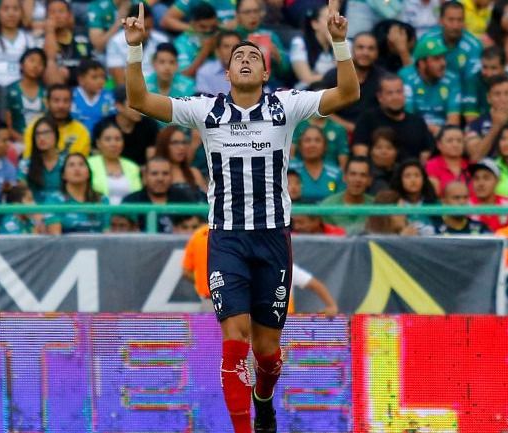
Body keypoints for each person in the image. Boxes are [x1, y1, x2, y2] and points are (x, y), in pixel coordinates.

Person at [122, 0, 359, 429]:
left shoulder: (285, 106)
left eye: (254, 57)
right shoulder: (206, 109)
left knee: (267, 353)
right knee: (235, 341)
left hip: (272, 238)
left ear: (266, 73)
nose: (246, 60)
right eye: (238, 57)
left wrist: (340, 43)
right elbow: (138, 98)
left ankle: (264, 398)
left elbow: (348, 93)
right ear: (227, 73)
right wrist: (136, 49)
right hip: (226, 238)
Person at [183, 224, 340, 314]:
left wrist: (331, 306)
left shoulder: (288, 268)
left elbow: (315, 284)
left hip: (280, 322)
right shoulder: (249, 265)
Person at [417, 1, 482, 112]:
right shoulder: (427, 41)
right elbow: (416, 73)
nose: (455, 25)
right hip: (430, 98)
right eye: (451, 20)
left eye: (459, 20)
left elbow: (471, 82)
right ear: (441, 21)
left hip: (464, 99)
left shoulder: (474, 46)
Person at [352, 74, 433, 161]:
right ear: (380, 97)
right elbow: (360, 155)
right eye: (390, 93)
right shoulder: (367, 120)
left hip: (410, 172)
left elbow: (427, 154)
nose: (395, 97)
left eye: (399, 92)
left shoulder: (417, 122)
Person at [320, 31, 382, 132]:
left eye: (371, 48)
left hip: (372, 133)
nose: (365, 53)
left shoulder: (383, 79)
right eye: (360, 47)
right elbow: (321, 109)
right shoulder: (332, 76)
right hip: (337, 131)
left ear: (377, 53)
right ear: (352, 50)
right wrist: (348, 127)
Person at [400, 37, 461, 134]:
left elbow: (453, 121)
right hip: (415, 132)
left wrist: (441, 134)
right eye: (436, 59)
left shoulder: (452, 79)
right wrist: (433, 129)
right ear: (422, 63)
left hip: (443, 135)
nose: (443, 63)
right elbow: (408, 118)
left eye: (443, 58)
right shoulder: (406, 76)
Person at [121, 157, 199, 232]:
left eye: (165, 173)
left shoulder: (184, 199)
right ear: (145, 176)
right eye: (154, 174)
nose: (160, 178)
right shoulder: (131, 201)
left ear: (171, 176)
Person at [43, 153, 110, 234]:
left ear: (88, 173)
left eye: (81, 164)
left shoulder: (102, 199)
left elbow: (107, 233)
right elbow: (56, 237)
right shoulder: (54, 200)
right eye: (71, 165)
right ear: (63, 175)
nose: (77, 169)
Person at [93, 85, 160, 167]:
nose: (139, 109)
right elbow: (96, 156)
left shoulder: (150, 125)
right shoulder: (104, 126)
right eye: (134, 104)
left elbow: (152, 159)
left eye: (141, 103)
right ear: (119, 106)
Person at [22, 84, 91, 158]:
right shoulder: (34, 127)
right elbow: (28, 159)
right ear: (47, 103)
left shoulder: (81, 131)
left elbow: (81, 163)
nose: (61, 105)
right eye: (56, 101)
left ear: (71, 104)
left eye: (66, 101)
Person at [106, 3, 168, 86]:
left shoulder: (162, 40)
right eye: (140, 27)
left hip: (156, 90)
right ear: (130, 24)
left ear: (153, 23)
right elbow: (119, 79)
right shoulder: (116, 41)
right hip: (129, 89)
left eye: (148, 28)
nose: (144, 32)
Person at [464, 46, 508, 120]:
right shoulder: (473, 82)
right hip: (483, 127)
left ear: (503, 67)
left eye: (494, 68)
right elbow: (470, 118)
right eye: (485, 67)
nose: (488, 73)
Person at [87, 121, 141, 204]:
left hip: (128, 214)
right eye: (108, 139)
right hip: (99, 214)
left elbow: (137, 196)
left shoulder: (132, 167)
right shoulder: (89, 164)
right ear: (98, 143)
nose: (113, 144)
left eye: (118, 139)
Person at [2, 48, 47, 145]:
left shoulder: (46, 92)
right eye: (32, 60)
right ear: (21, 64)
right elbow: (7, 126)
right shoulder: (10, 91)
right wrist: (25, 141)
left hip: (43, 142)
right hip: (16, 142)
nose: (35, 66)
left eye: (40, 63)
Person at [42, 0, 92, 86]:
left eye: (61, 11)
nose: (57, 16)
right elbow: (50, 60)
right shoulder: (42, 39)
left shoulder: (83, 36)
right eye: (52, 12)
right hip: (58, 84)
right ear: (46, 17)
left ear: (69, 15)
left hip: (83, 82)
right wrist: (50, 31)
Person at [289, 125, 344, 203]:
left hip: (327, 214)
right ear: (300, 146)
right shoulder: (288, 169)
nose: (312, 145)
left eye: (317, 140)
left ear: (325, 146)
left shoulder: (336, 173)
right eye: (307, 140)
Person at [320, 156, 373, 233]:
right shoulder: (327, 206)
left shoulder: (376, 206)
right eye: (353, 174)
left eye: (363, 175)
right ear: (344, 177)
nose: (357, 179)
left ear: (369, 180)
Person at [18, 116, 65, 202]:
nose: (41, 138)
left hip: (62, 210)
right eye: (37, 134)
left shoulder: (67, 162)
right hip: (35, 210)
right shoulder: (26, 164)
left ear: (56, 135)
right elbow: (21, 194)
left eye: (46, 133)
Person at [154, 125, 206, 199]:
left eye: (183, 142)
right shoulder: (155, 173)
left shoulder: (194, 173)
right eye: (175, 143)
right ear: (164, 145)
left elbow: (206, 202)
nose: (181, 147)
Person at [291, 5, 336, 88]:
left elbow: (346, 73)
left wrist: (335, 44)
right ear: (315, 24)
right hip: (307, 92)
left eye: (335, 19)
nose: (333, 23)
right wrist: (333, 77)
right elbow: (306, 79)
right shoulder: (299, 43)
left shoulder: (342, 43)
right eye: (328, 19)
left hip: (334, 91)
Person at [468, 157, 508, 231]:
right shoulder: (466, 205)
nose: (480, 183)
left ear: (497, 181)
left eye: (486, 178)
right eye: (476, 178)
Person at [391, 159, 438, 235]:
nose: (413, 180)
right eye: (407, 176)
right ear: (400, 180)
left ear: (424, 179)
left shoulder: (434, 204)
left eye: (417, 175)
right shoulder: (393, 204)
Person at [171, 3, 219, 77]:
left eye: (213, 27)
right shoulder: (180, 43)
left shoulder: (222, 37)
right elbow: (184, 76)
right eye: (203, 27)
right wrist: (204, 51)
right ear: (192, 23)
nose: (208, 31)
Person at [70, 59, 116, 134]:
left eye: (102, 77)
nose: (100, 81)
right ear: (81, 80)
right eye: (94, 77)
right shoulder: (70, 96)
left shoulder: (110, 98)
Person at [425, 125, 468, 196]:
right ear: (439, 145)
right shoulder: (432, 165)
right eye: (450, 141)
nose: (455, 145)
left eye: (459, 141)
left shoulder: (471, 164)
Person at [197, 30, 241, 95]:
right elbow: (205, 103)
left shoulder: (253, 71)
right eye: (226, 46)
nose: (232, 51)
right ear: (217, 51)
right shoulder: (205, 72)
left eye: (236, 46)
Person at [368, 127, 400, 194]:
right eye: (378, 147)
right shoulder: (365, 171)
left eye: (389, 148)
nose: (384, 152)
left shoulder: (402, 171)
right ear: (371, 151)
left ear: (396, 151)